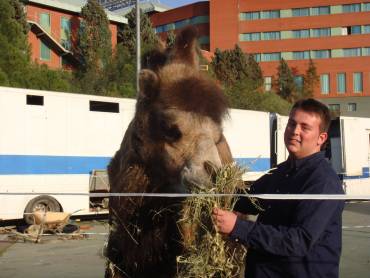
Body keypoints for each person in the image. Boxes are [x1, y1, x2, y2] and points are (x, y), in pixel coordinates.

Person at [213, 98, 345, 278]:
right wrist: (214, 189)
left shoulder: (323, 182)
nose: (294, 131)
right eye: (292, 124)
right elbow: (249, 200)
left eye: (304, 127)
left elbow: (298, 241)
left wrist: (238, 227)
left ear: (321, 138)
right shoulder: (281, 171)